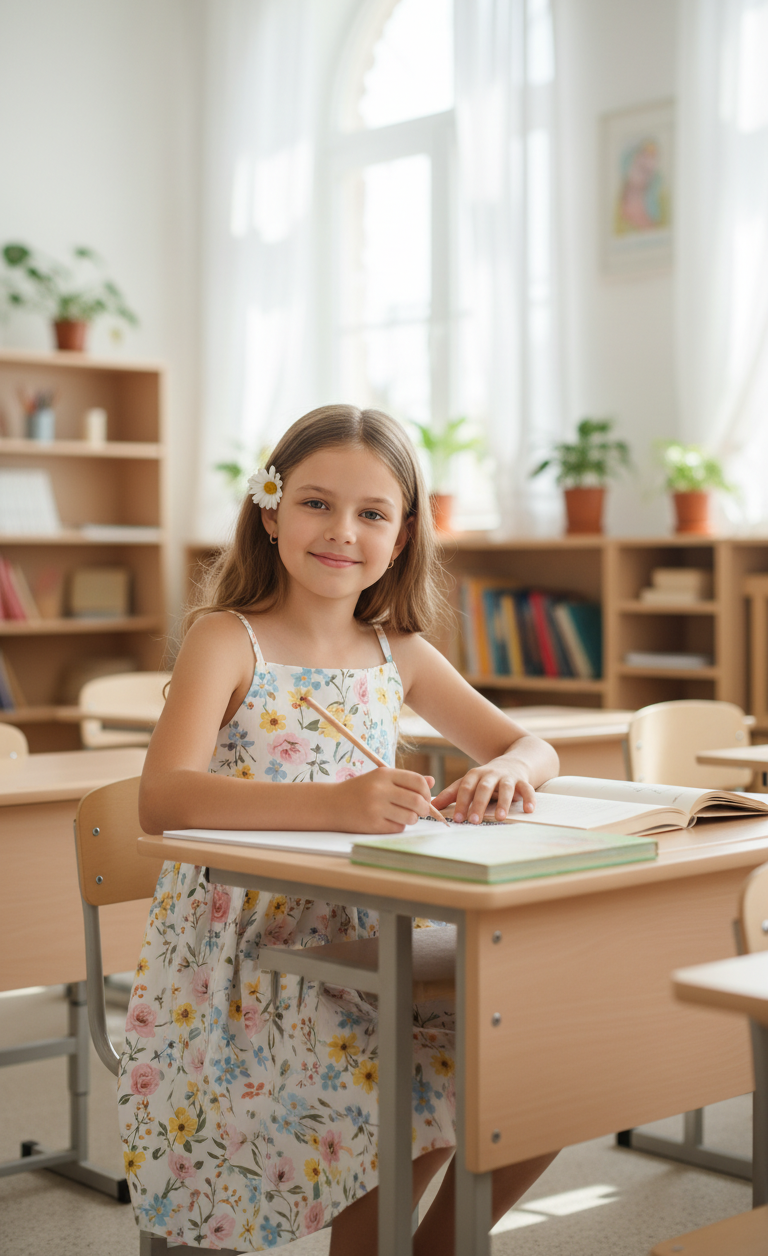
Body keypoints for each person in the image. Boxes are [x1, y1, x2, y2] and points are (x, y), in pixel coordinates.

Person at [120, 405, 559, 1254]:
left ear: (401, 537)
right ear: (270, 512)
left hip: (376, 935)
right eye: (316, 503)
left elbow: (529, 745)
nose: (341, 531)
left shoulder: (400, 651)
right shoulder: (226, 639)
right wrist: (335, 803)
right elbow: (162, 799)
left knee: (545, 1078)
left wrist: (509, 770)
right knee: (398, 1107)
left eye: (372, 513)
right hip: (250, 958)